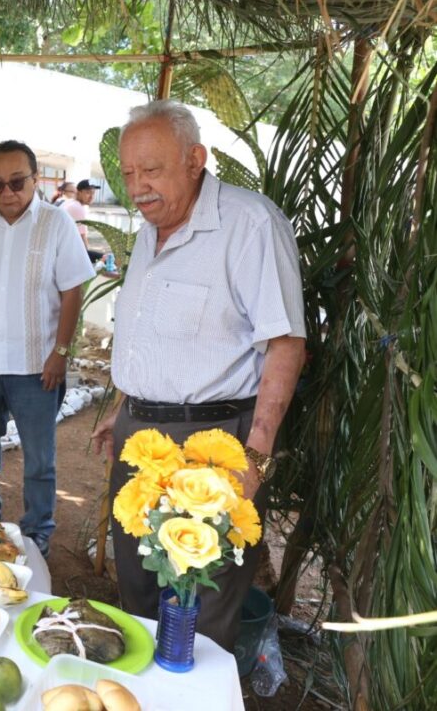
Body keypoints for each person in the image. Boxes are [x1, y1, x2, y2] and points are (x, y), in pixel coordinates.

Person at [91, 100, 306, 651]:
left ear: (195, 160)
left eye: (151, 170)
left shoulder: (249, 224)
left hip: (215, 445)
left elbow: (285, 344)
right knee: (139, 591)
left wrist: (256, 457)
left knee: (201, 607)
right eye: (128, 173)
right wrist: (123, 407)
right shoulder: (150, 230)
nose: (137, 187)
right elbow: (154, 333)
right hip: (140, 439)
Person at [0, 140, 96, 558]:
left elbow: (72, 292)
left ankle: (37, 531)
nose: (7, 193)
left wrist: (60, 353)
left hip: (36, 366)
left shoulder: (57, 223)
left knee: (39, 458)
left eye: (16, 182)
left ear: (35, 179)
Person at [60, 179, 105, 264]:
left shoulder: (70, 202)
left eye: (93, 193)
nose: (91, 197)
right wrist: (86, 262)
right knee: (107, 259)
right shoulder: (77, 208)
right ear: (79, 192)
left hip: (62, 248)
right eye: (88, 193)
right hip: (66, 252)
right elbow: (82, 238)